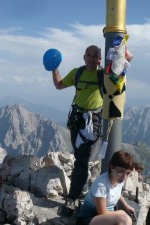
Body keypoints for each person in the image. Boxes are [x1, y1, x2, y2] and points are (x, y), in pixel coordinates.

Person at [51, 45, 103, 216]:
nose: (91, 58)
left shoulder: (103, 75)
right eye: (88, 55)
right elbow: (59, 85)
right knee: (80, 157)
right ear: (84, 57)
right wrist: (54, 68)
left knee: (82, 159)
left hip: (93, 122)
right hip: (78, 121)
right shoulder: (77, 73)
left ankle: (73, 196)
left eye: (95, 55)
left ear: (99, 58)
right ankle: (79, 190)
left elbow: (118, 84)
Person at [77, 150, 136, 225]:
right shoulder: (101, 185)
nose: (124, 177)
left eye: (128, 173)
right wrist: (121, 212)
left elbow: (116, 192)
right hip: (88, 219)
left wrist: (126, 206)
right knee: (125, 219)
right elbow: (102, 212)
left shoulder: (118, 179)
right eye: (121, 171)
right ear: (111, 167)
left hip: (106, 217)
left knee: (125, 219)